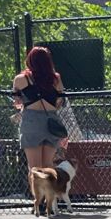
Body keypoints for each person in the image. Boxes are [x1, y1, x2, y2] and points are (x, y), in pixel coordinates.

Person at [12, 46, 68, 190]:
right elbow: (60, 101)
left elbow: (17, 102)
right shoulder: (56, 78)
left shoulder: (21, 79)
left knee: (34, 167)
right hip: (51, 121)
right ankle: (50, 199)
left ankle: (39, 201)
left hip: (32, 121)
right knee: (48, 165)